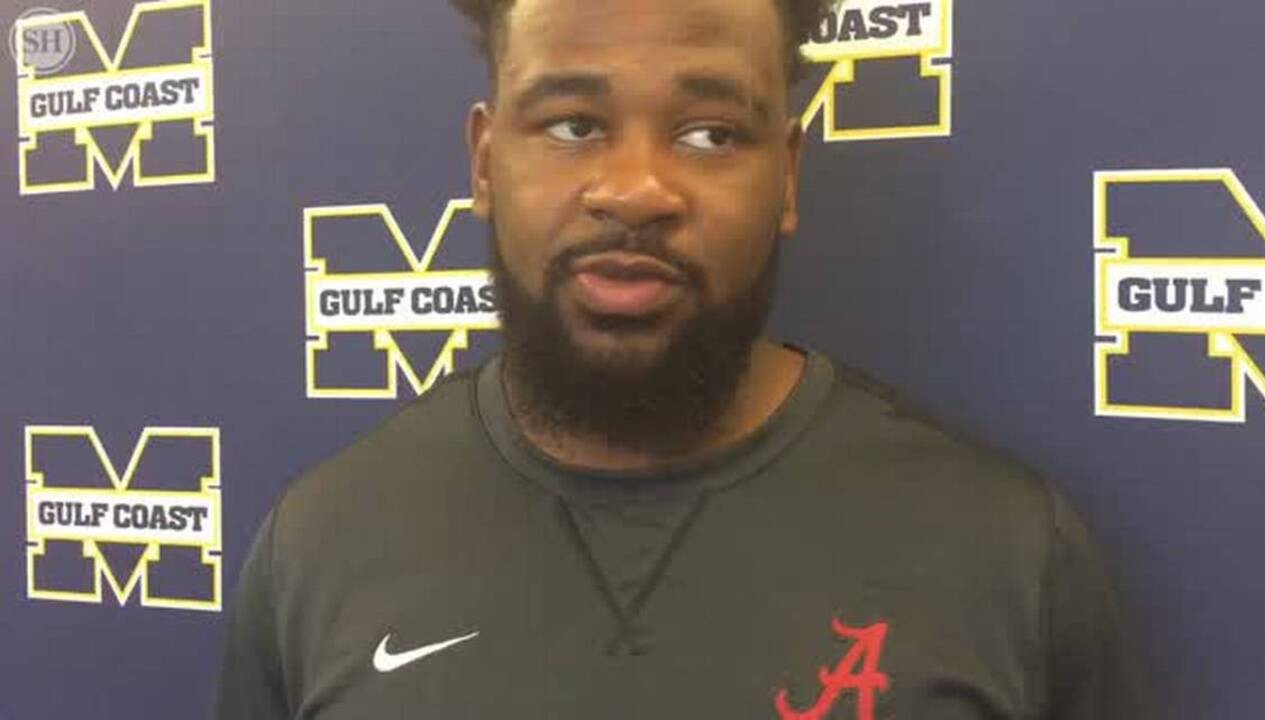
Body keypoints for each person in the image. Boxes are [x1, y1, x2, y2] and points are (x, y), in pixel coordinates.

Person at [216, 0, 1151, 717]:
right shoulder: (317, 549)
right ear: (485, 162)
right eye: (573, 124)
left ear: (786, 174)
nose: (636, 191)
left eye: (711, 133)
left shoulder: (1009, 559)